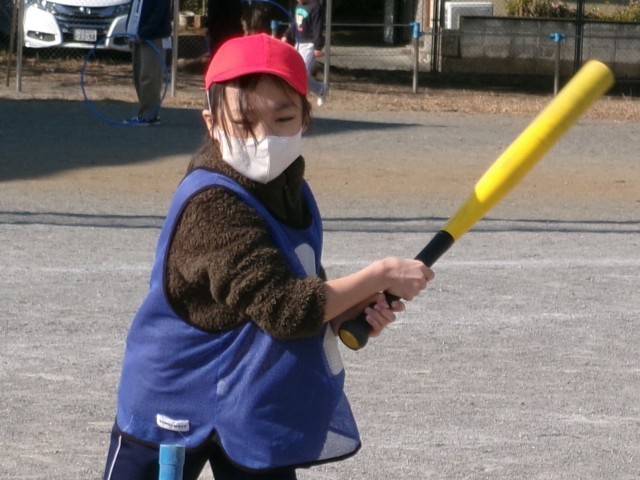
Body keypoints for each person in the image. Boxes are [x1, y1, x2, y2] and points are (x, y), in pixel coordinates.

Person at [102, 33, 434, 480]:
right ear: (211, 123)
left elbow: (299, 285)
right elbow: (285, 309)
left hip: (250, 398)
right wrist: (382, 274)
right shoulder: (213, 202)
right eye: (243, 122)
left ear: (305, 117)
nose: (263, 138)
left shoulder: (291, 189)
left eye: (282, 118)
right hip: (176, 397)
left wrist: (343, 311)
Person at [124, 0, 172, 126]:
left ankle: (148, 115)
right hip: (137, 36)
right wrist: (129, 32)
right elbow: (135, 9)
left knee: (149, 76)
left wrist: (144, 33)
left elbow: (159, 13)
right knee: (138, 75)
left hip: (153, 37)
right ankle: (148, 113)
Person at [284, 0, 327, 106]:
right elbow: (295, 24)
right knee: (296, 72)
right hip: (299, 42)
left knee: (302, 71)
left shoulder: (315, 7)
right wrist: (286, 35)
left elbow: (317, 27)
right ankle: (320, 89)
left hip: (309, 44)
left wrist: (318, 47)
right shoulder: (299, 6)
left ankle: (300, 99)